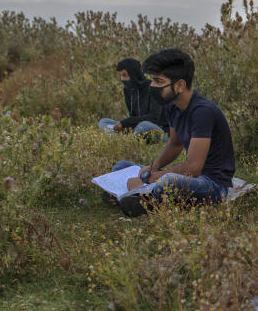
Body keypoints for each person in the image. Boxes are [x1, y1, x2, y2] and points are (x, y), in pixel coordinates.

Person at [112, 49, 235, 216]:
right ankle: (142, 196)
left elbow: (193, 168)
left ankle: (143, 199)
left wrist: (149, 178)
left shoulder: (202, 112)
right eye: (152, 80)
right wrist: (153, 168)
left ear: (179, 85)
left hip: (213, 184)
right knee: (121, 166)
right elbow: (175, 144)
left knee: (168, 181)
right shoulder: (172, 106)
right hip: (190, 179)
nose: (152, 86)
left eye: (158, 81)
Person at [98, 57, 167, 142]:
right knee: (103, 122)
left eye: (124, 75)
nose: (122, 79)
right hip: (136, 127)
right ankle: (125, 139)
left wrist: (124, 123)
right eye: (120, 75)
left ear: (133, 74)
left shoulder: (153, 87)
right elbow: (133, 116)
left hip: (157, 129)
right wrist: (125, 125)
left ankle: (125, 138)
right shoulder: (128, 90)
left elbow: (154, 118)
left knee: (143, 126)